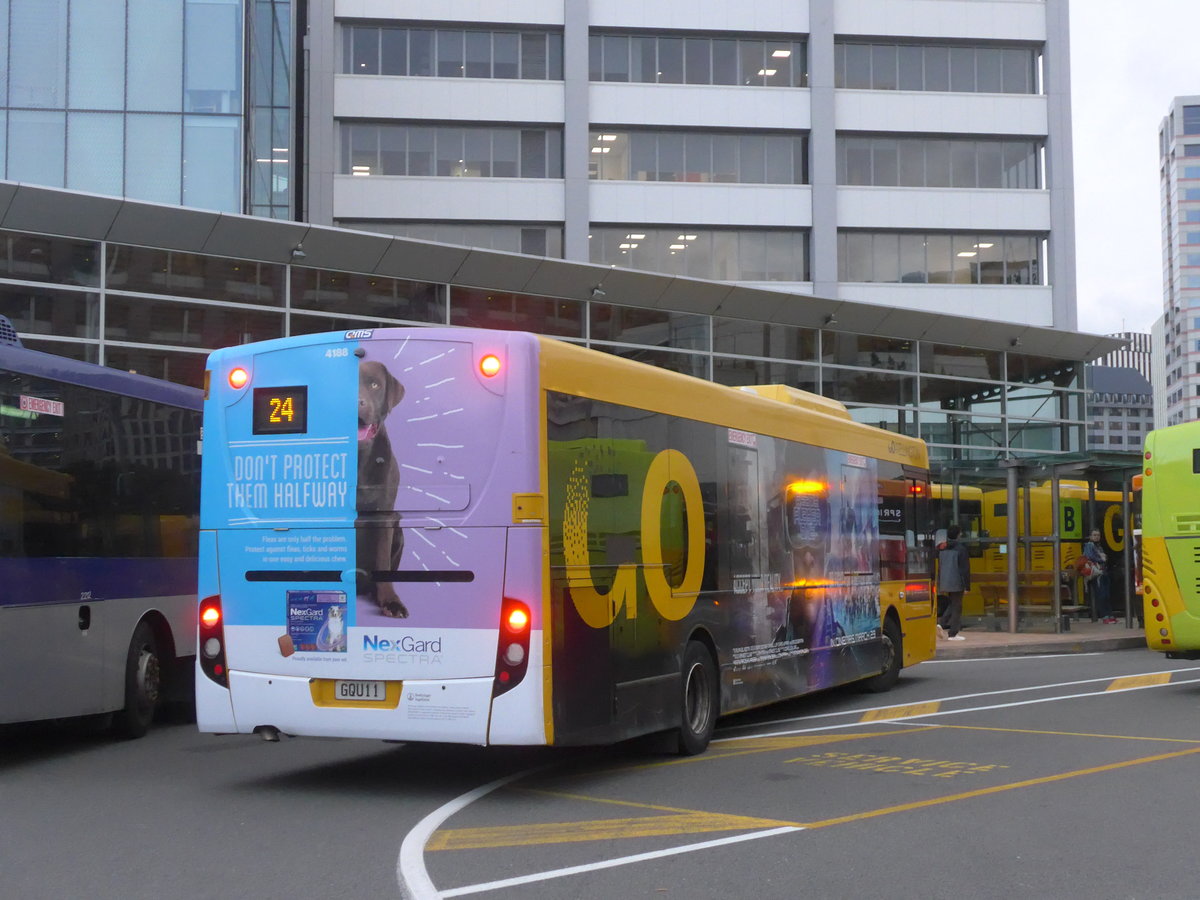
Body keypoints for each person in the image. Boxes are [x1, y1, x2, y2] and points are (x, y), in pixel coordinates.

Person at [936, 524, 971, 640]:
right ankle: (953, 633)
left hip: (945, 581)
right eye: (960, 533)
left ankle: (940, 624)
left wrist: (940, 582)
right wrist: (967, 586)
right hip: (957, 582)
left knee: (953, 603)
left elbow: (940, 567)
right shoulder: (961, 549)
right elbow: (964, 569)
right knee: (957, 606)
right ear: (957, 535)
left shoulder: (943, 548)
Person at [1083, 528, 1115, 623]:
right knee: (1102, 595)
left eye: (1098, 535)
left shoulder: (1099, 546)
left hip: (1102, 572)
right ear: (1090, 536)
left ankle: (1109, 615)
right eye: (1094, 535)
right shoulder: (1089, 545)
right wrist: (1101, 558)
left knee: (1106, 595)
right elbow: (1090, 556)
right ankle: (1105, 616)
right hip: (1097, 574)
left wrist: (1102, 557)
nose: (1097, 537)